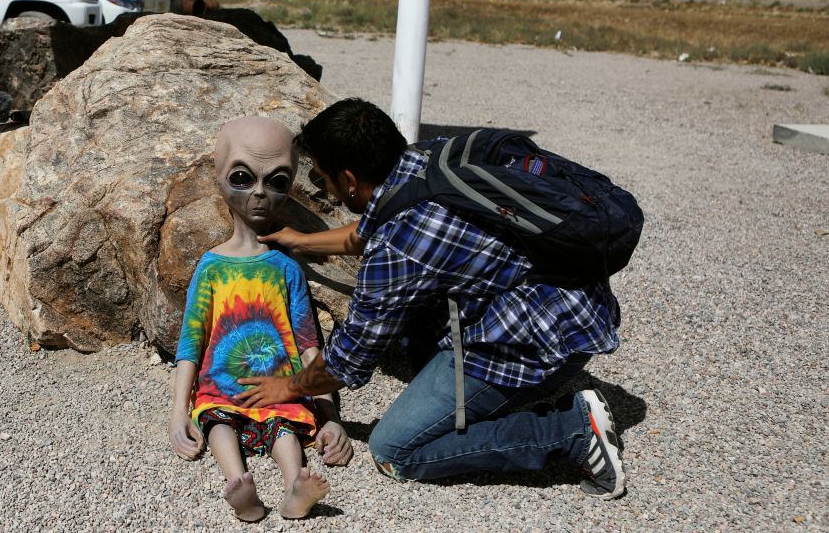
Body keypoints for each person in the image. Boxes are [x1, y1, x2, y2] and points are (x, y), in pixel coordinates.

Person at [236, 98, 626, 500]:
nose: (325, 189)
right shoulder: (423, 158)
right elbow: (369, 229)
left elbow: (349, 361)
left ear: (349, 179)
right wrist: (302, 240)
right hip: (572, 305)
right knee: (412, 335)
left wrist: (289, 387)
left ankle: (571, 431)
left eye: (322, 180)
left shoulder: (398, 248)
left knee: (396, 449)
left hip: (542, 343)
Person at [169, 116, 353, 523]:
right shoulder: (212, 265)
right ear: (218, 177)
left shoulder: (286, 267)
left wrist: (330, 417)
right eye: (242, 177)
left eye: (277, 181)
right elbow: (191, 341)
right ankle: (239, 485)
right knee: (218, 422)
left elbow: (308, 344)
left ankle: (295, 487)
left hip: (281, 386)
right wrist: (179, 412)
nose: (258, 193)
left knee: (285, 427)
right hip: (221, 385)